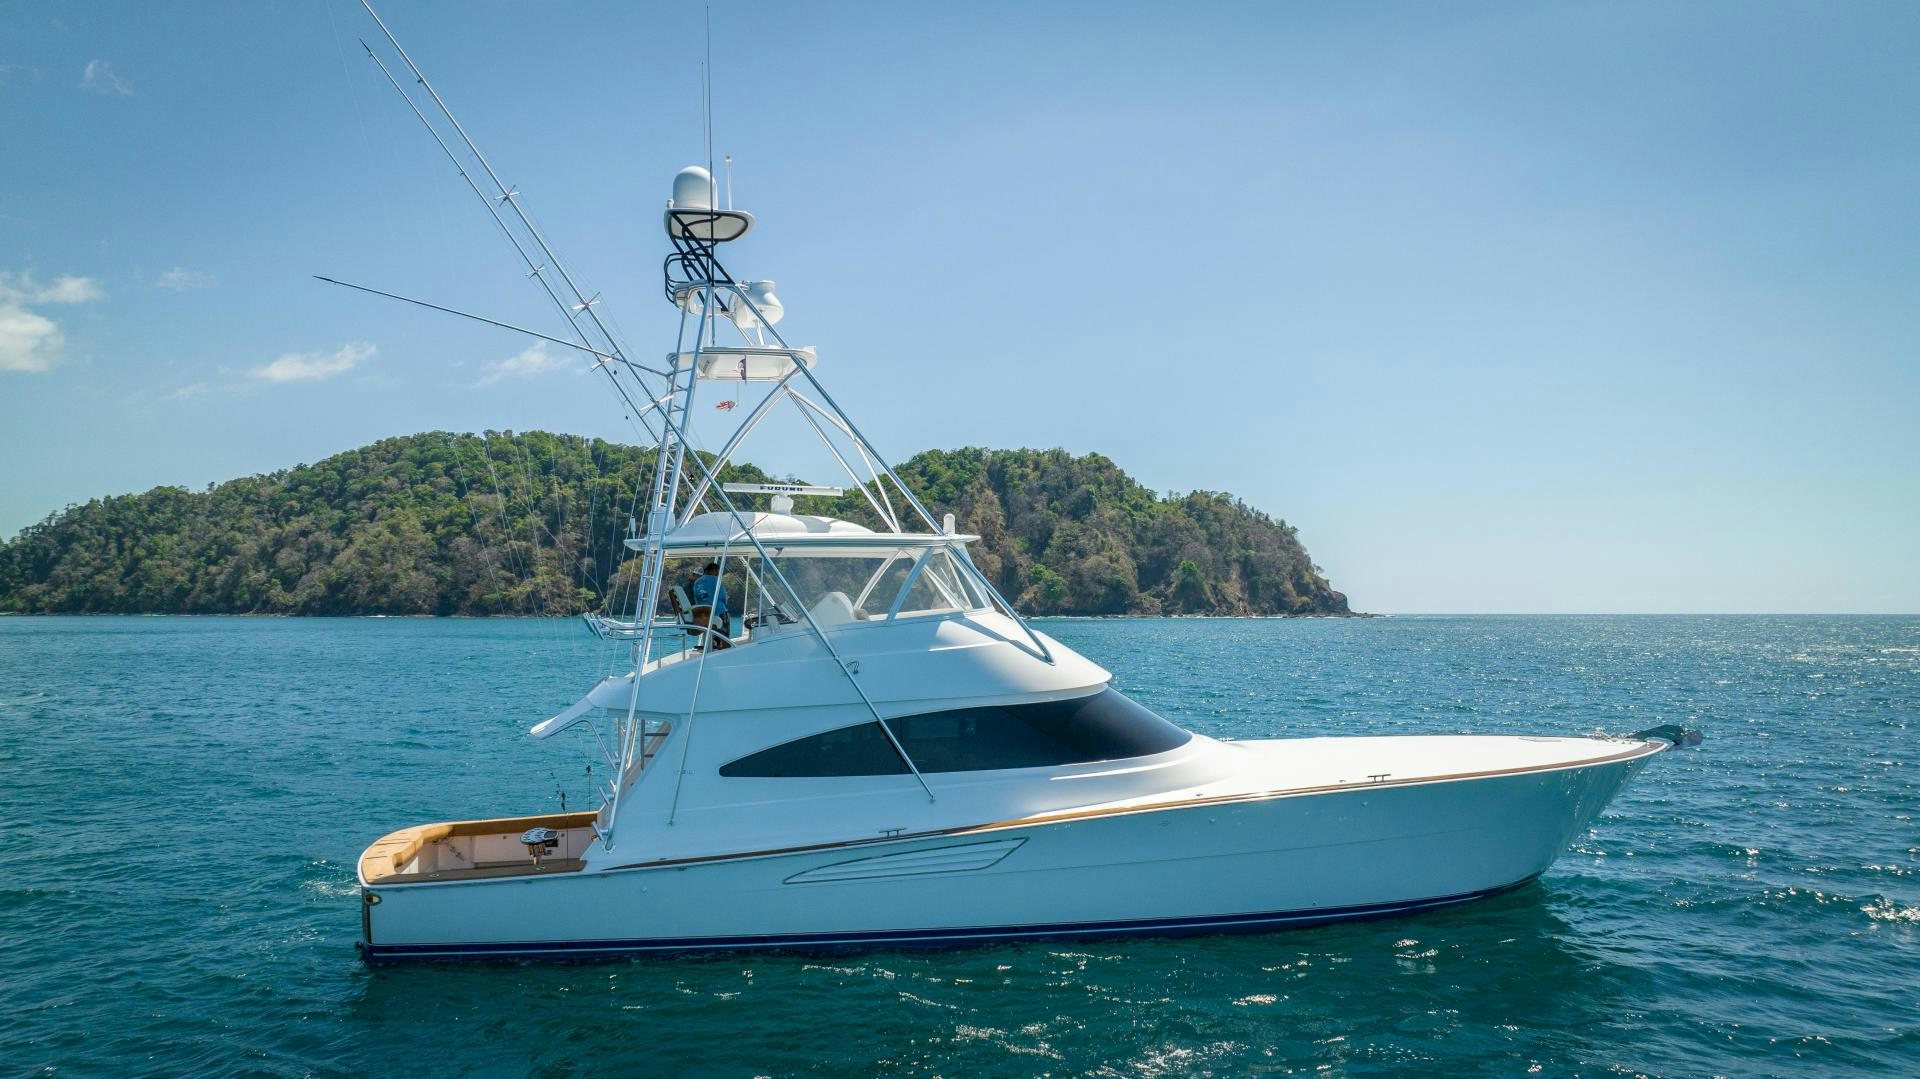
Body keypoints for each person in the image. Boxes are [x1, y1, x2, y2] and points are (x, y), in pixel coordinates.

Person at [690, 561, 731, 648]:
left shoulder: (697, 582)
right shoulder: (716, 580)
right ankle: (724, 647)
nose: (717, 574)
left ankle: (711, 645)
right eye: (717, 572)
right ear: (713, 570)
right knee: (724, 633)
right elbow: (723, 596)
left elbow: (697, 598)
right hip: (718, 611)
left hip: (703, 613)